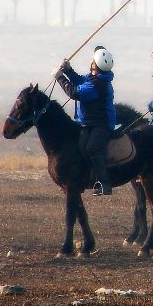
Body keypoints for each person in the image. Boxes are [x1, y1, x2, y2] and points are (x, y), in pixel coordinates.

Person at [55, 45, 116, 196]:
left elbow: (75, 93)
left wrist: (60, 77)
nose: (90, 62)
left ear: (95, 65)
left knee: (93, 148)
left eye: (92, 61)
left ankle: (105, 183)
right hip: (89, 123)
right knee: (81, 147)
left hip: (102, 123)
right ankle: (86, 179)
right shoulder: (94, 78)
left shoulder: (98, 84)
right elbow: (78, 80)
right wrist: (68, 70)